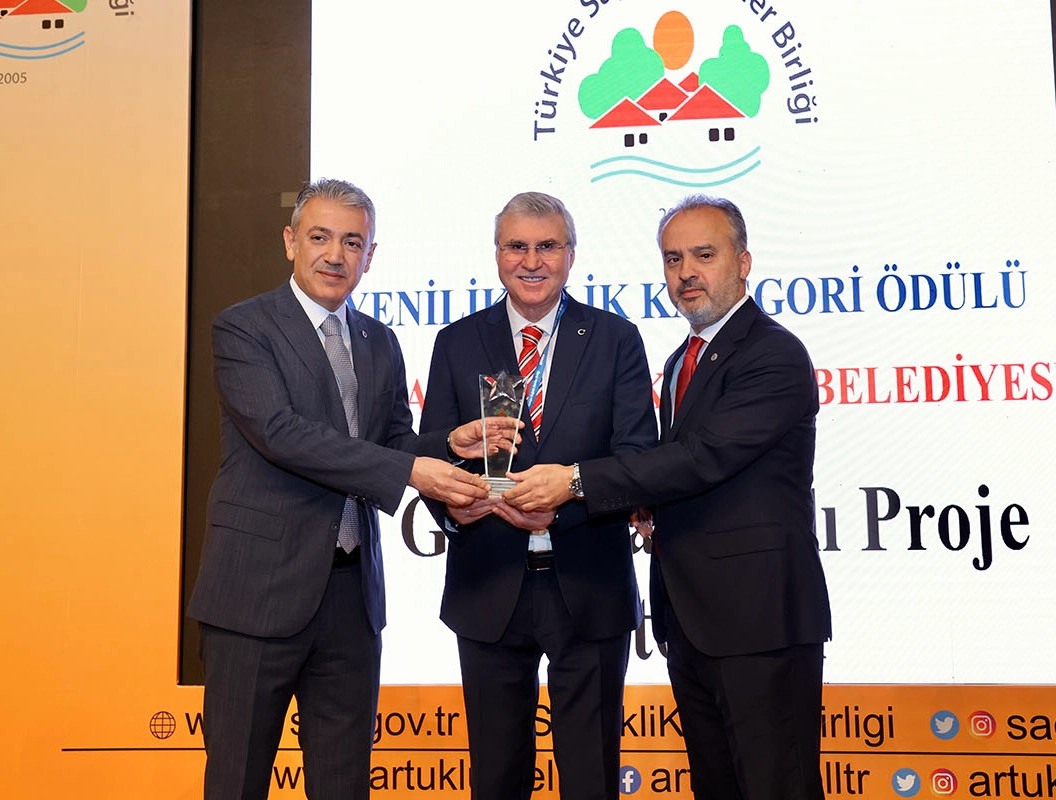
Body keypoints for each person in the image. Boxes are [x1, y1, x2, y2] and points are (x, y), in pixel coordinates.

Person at [187, 178, 509, 800]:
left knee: (344, 784)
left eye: (352, 242)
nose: (335, 255)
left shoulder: (379, 339)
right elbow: (281, 434)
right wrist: (410, 471)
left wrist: (448, 443)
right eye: (320, 238)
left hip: (351, 598)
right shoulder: (244, 328)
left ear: (370, 255)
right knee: (236, 781)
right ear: (290, 242)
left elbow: (391, 440)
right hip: (255, 594)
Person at [506, 195, 832, 800]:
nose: (686, 273)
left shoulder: (773, 354)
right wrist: (644, 503)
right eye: (673, 258)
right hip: (692, 621)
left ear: (743, 262)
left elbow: (704, 458)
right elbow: (675, 473)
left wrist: (577, 480)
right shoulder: (683, 359)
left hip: (761, 621)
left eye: (704, 255)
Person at [419, 191, 658, 799]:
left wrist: (569, 496)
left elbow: (638, 459)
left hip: (589, 583)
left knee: (591, 779)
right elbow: (430, 454)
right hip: (487, 585)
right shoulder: (456, 342)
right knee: (496, 780)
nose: (531, 261)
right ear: (497, 254)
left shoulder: (615, 338)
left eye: (547, 246)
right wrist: (454, 507)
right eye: (516, 246)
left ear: (571, 254)